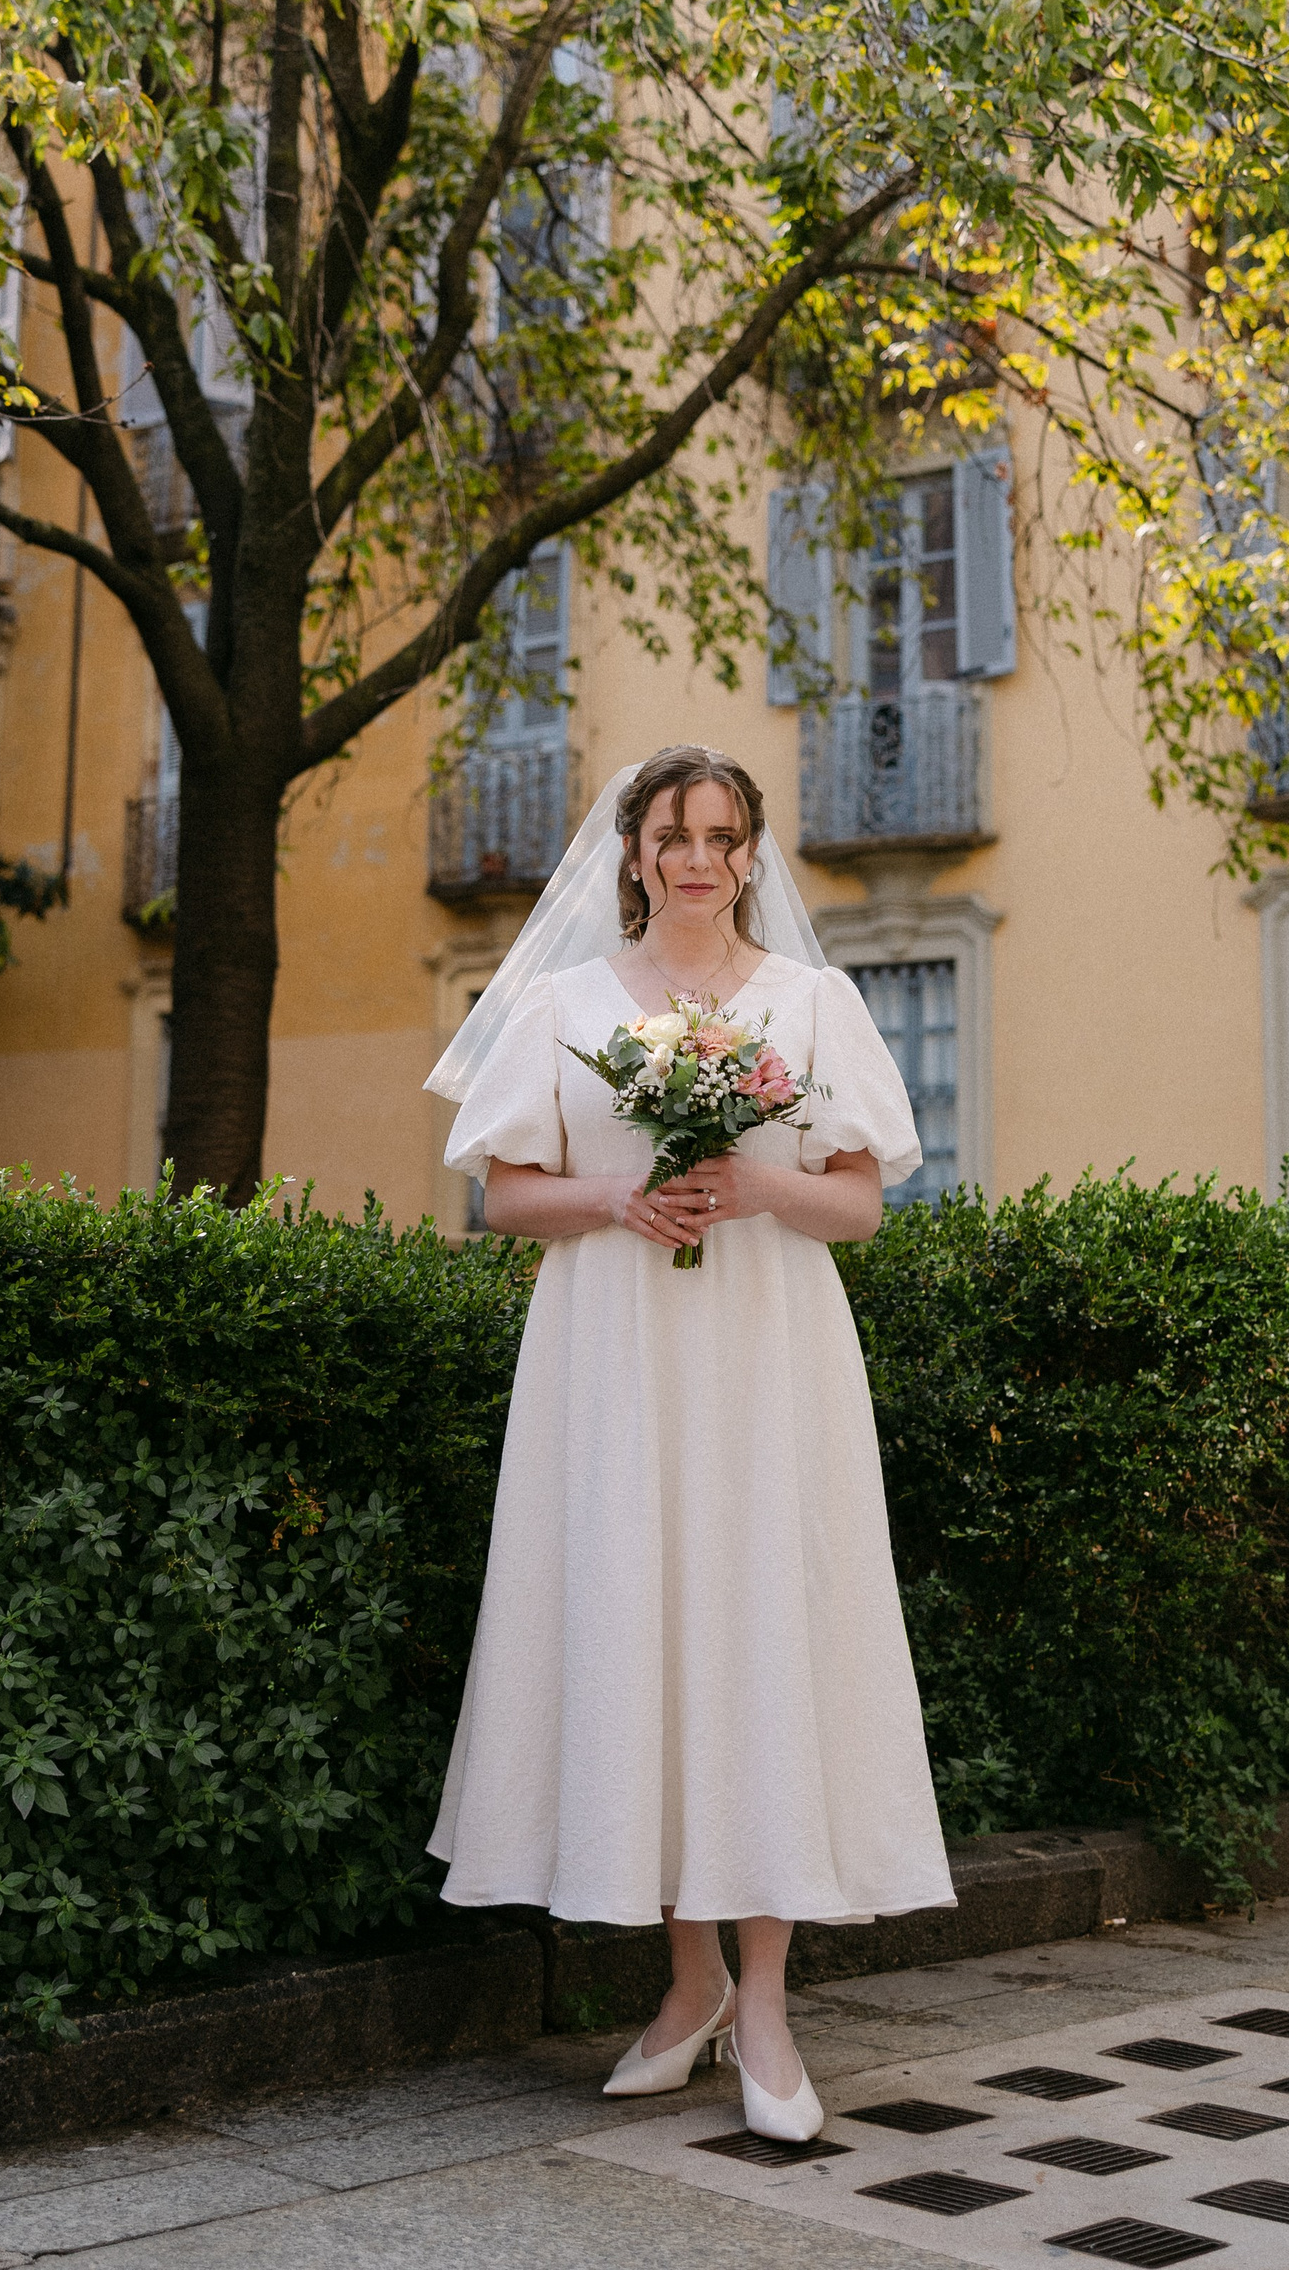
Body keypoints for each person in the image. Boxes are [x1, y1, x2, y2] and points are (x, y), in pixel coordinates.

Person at [424, 744, 954, 2140]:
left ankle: (765, 2004)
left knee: (760, 1639)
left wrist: (755, 1181)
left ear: (752, 852)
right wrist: (621, 1199)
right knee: (642, 1636)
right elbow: (506, 1197)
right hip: (616, 1360)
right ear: (636, 853)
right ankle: (689, 1980)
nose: (698, 860)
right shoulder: (564, 1007)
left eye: (722, 836)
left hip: (768, 1359)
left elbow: (861, 1206)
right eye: (673, 836)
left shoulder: (814, 1004)